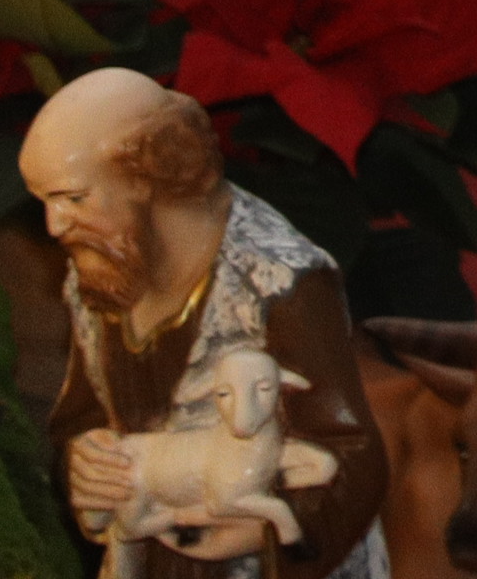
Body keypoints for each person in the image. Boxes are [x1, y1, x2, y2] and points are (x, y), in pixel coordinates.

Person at [27, 67, 390, 579]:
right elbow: (83, 414)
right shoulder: (103, 266)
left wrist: (271, 530)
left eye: (73, 198)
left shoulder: (280, 280)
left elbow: (352, 452)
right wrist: (85, 462)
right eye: (43, 201)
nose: (54, 225)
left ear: (144, 177)